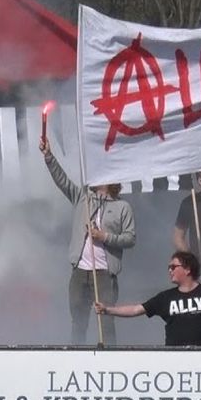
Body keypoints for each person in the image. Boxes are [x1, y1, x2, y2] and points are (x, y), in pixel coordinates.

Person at [41, 136, 136, 345]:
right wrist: (48, 156)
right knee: (78, 319)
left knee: (106, 320)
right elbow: (62, 181)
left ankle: (108, 357)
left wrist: (105, 237)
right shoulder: (83, 198)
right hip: (80, 270)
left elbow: (130, 238)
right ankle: (77, 355)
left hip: (104, 272)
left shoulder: (122, 207)